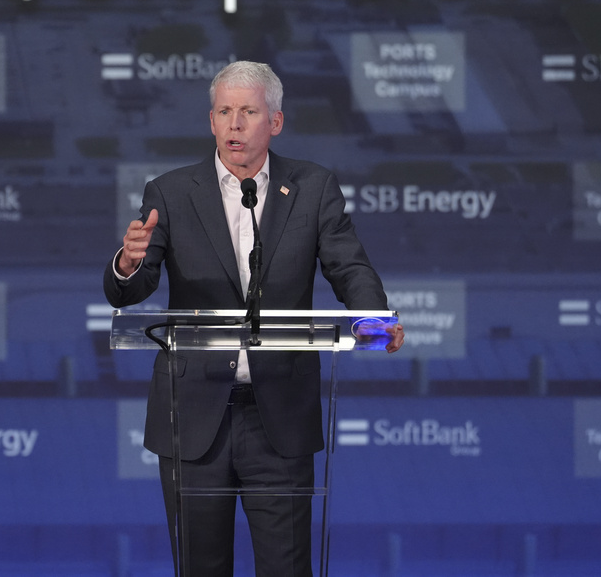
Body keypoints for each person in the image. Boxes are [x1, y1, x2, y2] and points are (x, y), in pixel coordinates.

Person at [104, 61, 405, 577]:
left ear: (277, 121)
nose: (235, 124)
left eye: (248, 111)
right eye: (224, 111)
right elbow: (135, 286)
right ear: (211, 121)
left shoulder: (311, 187)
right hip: (193, 417)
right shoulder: (171, 192)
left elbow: (348, 266)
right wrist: (128, 262)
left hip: (280, 417)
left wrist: (374, 320)